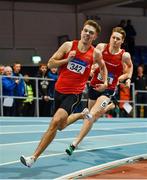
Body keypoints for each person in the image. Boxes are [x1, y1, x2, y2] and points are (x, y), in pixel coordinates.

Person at [20, 19, 108, 167]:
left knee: (54, 122)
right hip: (58, 91)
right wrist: (67, 59)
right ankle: (81, 114)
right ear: (81, 31)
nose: (87, 34)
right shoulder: (68, 46)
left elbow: (103, 67)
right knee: (61, 126)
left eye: (91, 33)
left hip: (74, 94)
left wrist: (105, 83)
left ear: (95, 37)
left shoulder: (95, 54)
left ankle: (33, 158)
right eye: (85, 30)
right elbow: (50, 63)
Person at [65, 26, 133, 156]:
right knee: (92, 117)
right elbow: (94, 59)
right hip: (95, 86)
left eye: (118, 39)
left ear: (122, 41)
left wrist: (126, 77)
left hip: (108, 89)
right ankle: (110, 107)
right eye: (113, 37)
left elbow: (129, 68)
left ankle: (74, 144)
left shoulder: (124, 55)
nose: (114, 40)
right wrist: (92, 67)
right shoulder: (102, 47)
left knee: (91, 115)